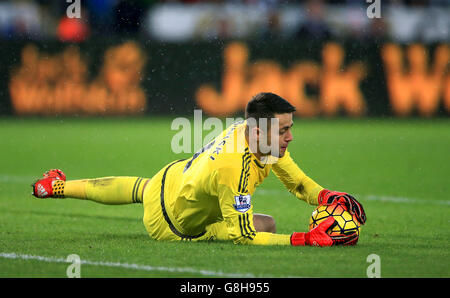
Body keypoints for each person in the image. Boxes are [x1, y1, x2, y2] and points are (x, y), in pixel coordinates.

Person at [32, 92, 366, 247]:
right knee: (266, 224)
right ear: (260, 132)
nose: (290, 137)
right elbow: (242, 235)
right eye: (284, 131)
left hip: (171, 179)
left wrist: (326, 196)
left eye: (291, 128)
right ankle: (58, 188)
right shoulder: (234, 168)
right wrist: (304, 239)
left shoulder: (253, 136)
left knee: (140, 189)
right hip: (173, 225)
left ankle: (55, 187)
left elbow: (296, 182)